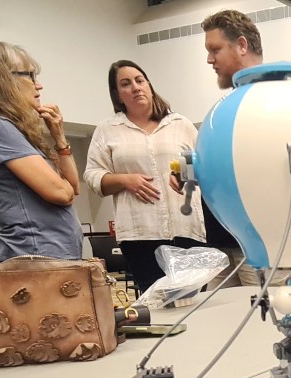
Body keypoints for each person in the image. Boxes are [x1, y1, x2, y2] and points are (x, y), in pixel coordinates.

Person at [0, 41, 81, 262]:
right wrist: (62, 186)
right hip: (36, 255)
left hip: (47, 254)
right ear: (1, 79)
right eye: (29, 75)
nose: (38, 85)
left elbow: (73, 188)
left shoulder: (7, 128)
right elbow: (61, 193)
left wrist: (59, 138)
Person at [84, 60, 207, 292]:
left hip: (186, 228)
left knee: (194, 301)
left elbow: (202, 162)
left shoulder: (180, 124)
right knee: (156, 302)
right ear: (117, 95)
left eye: (139, 81)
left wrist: (184, 175)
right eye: (126, 84)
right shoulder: (107, 129)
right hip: (139, 234)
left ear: (149, 86)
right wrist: (124, 180)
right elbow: (92, 175)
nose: (135, 87)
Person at [193, 9, 264, 286]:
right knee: (224, 313)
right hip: (220, 241)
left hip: (259, 244)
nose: (209, 59)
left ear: (242, 45)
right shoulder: (229, 107)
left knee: (267, 313)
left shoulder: (273, 102)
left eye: (215, 50)